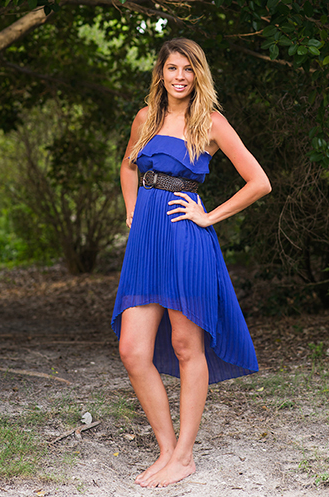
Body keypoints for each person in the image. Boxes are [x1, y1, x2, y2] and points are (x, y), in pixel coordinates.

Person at [112, 38, 271, 488]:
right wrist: (131, 209)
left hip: (186, 238)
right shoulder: (145, 119)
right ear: (160, 74)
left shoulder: (212, 125)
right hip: (146, 239)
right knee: (132, 350)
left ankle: (184, 455)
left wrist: (208, 215)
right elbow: (128, 167)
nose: (180, 77)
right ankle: (166, 448)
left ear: (199, 75)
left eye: (188, 69)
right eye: (172, 68)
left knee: (186, 346)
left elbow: (259, 182)